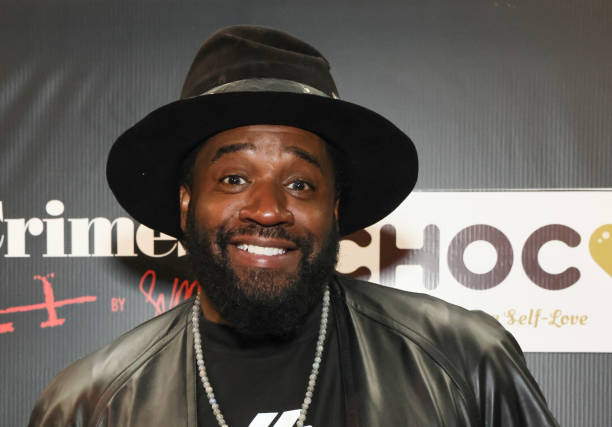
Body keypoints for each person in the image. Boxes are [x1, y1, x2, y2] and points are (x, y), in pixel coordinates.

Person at [29, 26, 559, 427]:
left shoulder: (463, 361)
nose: (268, 209)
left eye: (301, 184)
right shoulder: (89, 405)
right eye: (234, 178)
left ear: (336, 208)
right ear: (187, 203)